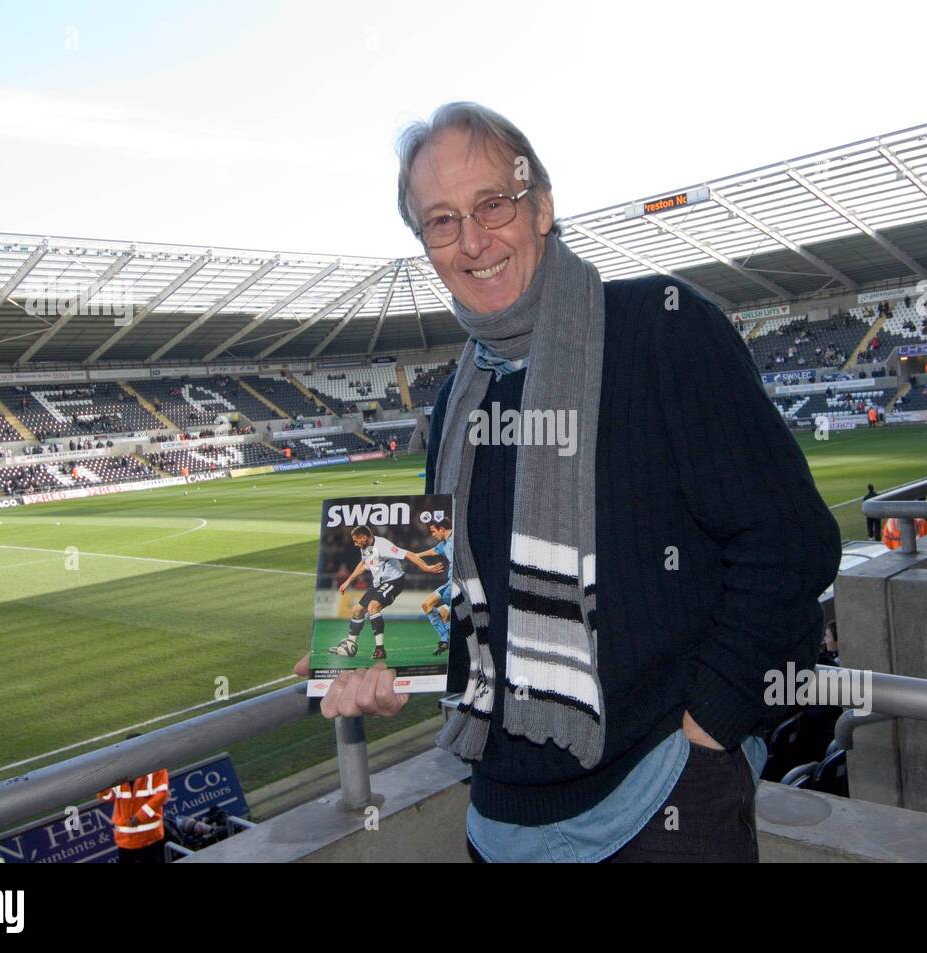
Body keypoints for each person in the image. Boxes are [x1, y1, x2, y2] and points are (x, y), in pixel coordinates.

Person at [297, 103, 840, 864]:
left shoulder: (662, 327)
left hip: (660, 806)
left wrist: (706, 733)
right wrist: (376, 659)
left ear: (542, 205)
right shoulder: (458, 399)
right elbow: (473, 617)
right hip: (499, 819)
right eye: (442, 222)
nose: (474, 241)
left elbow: (791, 544)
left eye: (494, 204)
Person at [329, 525, 445, 660]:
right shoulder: (365, 547)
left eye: (356, 540)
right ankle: (350, 644)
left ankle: (380, 650)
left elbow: (408, 554)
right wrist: (348, 581)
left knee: (373, 607)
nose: (355, 544)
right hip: (378, 584)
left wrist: (426, 567)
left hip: (394, 581)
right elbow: (363, 564)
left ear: (364, 537)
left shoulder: (383, 546)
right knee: (356, 611)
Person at [97, 737, 170, 864]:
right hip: (126, 841)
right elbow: (107, 797)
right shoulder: (117, 770)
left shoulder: (156, 767)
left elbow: (162, 795)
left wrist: (139, 817)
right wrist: (102, 787)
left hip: (150, 838)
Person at [414, 517, 455, 655]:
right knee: (444, 615)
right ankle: (447, 637)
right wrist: (414, 556)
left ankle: (445, 639)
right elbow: (433, 551)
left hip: (455, 584)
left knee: (427, 604)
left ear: (442, 529)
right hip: (454, 584)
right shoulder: (444, 544)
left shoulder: (457, 539)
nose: (432, 535)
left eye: (433, 531)